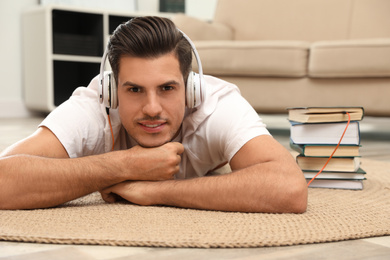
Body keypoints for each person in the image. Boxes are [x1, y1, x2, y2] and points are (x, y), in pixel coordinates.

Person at [0, 16, 307, 212]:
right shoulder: (94, 107)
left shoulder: (216, 104)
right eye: (134, 90)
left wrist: (155, 191)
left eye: (167, 89)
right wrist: (124, 165)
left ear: (190, 90)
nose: (152, 108)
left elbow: (290, 189)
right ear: (111, 91)